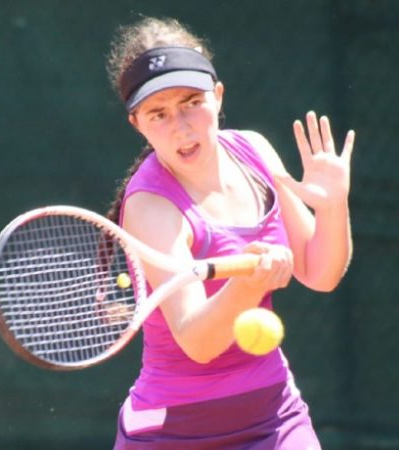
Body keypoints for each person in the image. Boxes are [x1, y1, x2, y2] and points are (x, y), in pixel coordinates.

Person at [105, 16, 355, 450]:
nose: (181, 125)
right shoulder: (149, 206)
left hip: (274, 417)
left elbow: (321, 272)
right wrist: (247, 286)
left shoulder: (254, 151)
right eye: (158, 114)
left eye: (191, 102)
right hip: (171, 430)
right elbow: (198, 341)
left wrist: (333, 206)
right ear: (137, 123)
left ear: (218, 96)